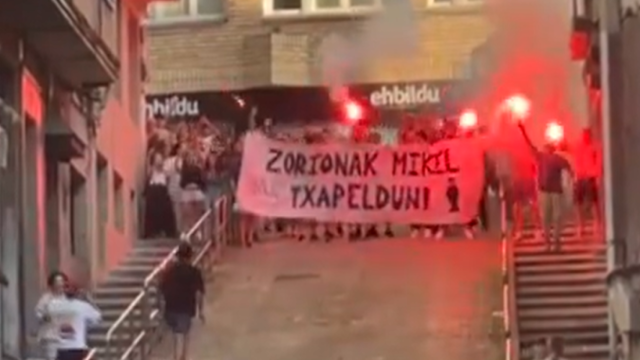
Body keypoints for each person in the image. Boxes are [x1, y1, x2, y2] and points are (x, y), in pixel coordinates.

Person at [517, 122, 573, 251]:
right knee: (546, 218)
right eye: (545, 146)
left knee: (557, 217)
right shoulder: (540, 157)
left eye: (548, 146)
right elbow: (529, 145)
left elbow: (569, 169)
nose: (546, 148)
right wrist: (523, 130)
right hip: (545, 192)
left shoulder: (558, 159)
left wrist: (570, 183)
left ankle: (556, 242)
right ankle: (549, 243)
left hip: (556, 192)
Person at [160, 243, 205, 360]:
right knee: (185, 333)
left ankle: (175, 355)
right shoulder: (194, 272)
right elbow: (199, 293)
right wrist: (201, 311)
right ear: (190, 256)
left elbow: (162, 288)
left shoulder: (169, 271)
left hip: (171, 307)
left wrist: (162, 307)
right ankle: (182, 356)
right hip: (186, 308)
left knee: (175, 333)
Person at [47, 281, 102, 360]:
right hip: (77, 347)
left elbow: (48, 314)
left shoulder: (54, 305)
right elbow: (98, 317)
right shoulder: (83, 306)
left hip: (60, 348)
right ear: (78, 292)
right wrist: (88, 299)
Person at [573, 128, 602, 236]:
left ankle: (597, 225)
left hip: (590, 178)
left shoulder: (595, 147)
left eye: (587, 135)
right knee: (577, 203)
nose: (585, 137)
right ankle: (580, 226)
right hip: (580, 177)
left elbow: (598, 162)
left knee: (594, 202)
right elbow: (570, 152)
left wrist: (596, 176)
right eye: (584, 135)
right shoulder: (578, 147)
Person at [35, 271, 69, 360]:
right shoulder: (46, 299)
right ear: (52, 284)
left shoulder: (67, 299)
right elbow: (38, 312)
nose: (60, 284)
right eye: (57, 282)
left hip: (64, 337)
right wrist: (44, 317)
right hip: (50, 336)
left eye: (62, 282)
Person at [144, 151, 178, 238]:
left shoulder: (165, 170)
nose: (159, 160)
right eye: (157, 158)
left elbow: (168, 179)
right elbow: (149, 177)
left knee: (166, 211)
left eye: (160, 158)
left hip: (162, 191)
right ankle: (153, 232)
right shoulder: (151, 169)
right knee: (153, 212)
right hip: (154, 190)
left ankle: (167, 231)